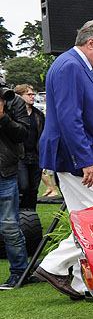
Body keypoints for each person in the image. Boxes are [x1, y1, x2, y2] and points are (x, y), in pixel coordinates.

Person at [36, 20, 93, 300]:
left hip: (79, 157)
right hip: (80, 160)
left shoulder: (74, 65)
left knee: (86, 221)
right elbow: (69, 118)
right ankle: (54, 265)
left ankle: (78, 282)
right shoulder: (71, 66)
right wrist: (86, 160)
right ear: (90, 43)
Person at [0, 85, 30, 289]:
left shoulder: (13, 100)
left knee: (9, 225)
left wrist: (2, 117)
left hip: (5, 172)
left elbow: (23, 134)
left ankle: (20, 272)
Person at [14, 84, 44, 211]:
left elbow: (42, 134)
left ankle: (31, 217)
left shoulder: (38, 114)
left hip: (35, 154)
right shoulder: (13, 114)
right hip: (20, 155)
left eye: (33, 94)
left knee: (33, 189)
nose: (33, 97)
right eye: (29, 94)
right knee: (23, 186)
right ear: (20, 96)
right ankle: (21, 214)